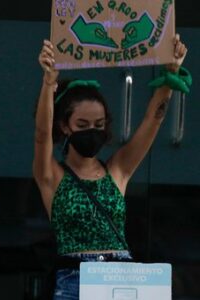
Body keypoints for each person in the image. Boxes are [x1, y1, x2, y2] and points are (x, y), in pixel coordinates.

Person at [33, 35, 189, 299]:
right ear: (64, 126)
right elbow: (41, 134)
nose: (92, 131)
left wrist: (170, 74)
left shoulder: (117, 169)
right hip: (74, 281)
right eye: (82, 125)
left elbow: (153, 120)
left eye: (99, 125)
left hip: (122, 278)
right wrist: (49, 82)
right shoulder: (52, 175)